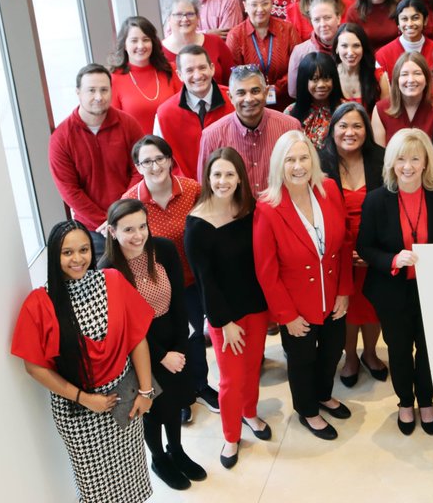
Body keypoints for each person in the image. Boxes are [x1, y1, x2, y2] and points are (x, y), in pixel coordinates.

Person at [11, 222, 155, 502]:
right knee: (95, 488)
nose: (77, 259)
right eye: (67, 252)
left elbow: (137, 338)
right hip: (77, 411)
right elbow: (34, 366)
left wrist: (146, 392)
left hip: (124, 394)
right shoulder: (40, 303)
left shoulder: (112, 280)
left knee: (132, 474)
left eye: (83, 250)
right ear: (55, 255)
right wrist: (83, 398)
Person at [253, 132, 352, 440]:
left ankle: (323, 394)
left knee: (333, 351)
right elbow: (266, 272)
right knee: (302, 359)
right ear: (278, 166)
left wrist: (345, 291)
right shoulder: (268, 208)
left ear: (313, 159)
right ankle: (307, 409)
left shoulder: (329, 190)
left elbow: (345, 244)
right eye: (290, 160)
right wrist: (286, 316)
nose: (298, 166)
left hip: (333, 297)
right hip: (296, 307)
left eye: (303, 157)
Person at [101, 199, 205, 490]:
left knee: (174, 403)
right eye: (128, 229)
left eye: (142, 226)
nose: (138, 235)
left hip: (173, 335)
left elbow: (179, 302)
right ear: (112, 231)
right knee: (152, 409)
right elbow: (123, 328)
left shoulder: (164, 249)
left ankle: (177, 450)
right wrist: (162, 356)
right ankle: (159, 458)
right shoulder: (108, 269)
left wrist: (181, 347)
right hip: (140, 347)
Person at [358, 129, 433, 434]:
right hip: (392, 290)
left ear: (426, 161)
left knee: (428, 349)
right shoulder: (376, 199)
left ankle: (426, 399)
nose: (408, 166)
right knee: (398, 349)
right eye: (401, 159)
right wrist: (392, 260)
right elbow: (365, 246)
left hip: (432, 290)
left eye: (415, 158)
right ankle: (404, 402)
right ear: (392, 162)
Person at [183, 147, 272, 469]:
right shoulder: (196, 224)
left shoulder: (250, 210)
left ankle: (250, 413)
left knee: (252, 369)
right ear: (207, 177)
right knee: (231, 380)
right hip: (226, 316)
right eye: (217, 174)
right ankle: (231, 435)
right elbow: (206, 282)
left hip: (257, 307)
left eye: (229, 174)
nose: (223, 181)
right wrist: (224, 322)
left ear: (240, 178)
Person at [120, 136, 209, 416]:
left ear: (170, 160)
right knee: (163, 343)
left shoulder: (193, 189)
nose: (155, 166)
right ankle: (178, 395)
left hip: (192, 281)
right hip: (153, 287)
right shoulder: (131, 201)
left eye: (160, 158)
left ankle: (201, 386)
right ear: (138, 166)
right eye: (147, 161)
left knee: (193, 338)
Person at [315, 103, 388, 389]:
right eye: (343, 125)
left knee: (371, 305)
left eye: (357, 126)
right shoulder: (319, 163)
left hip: (374, 246)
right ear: (332, 130)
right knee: (343, 307)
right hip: (335, 249)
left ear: (366, 130)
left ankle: (370, 354)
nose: (350, 132)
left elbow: (390, 206)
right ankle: (350, 358)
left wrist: (374, 251)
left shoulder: (381, 159)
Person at [50, 64, 144, 236]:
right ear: (78, 92)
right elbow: (69, 190)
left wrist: (121, 215)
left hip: (132, 219)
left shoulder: (129, 125)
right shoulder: (61, 138)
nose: (99, 97)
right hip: (92, 229)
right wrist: (105, 223)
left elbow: (139, 170)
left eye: (104, 90)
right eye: (91, 90)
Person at [197, 65, 302, 198]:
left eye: (255, 91)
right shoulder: (212, 136)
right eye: (241, 93)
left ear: (266, 92)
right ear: (230, 96)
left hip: (280, 210)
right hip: (233, 215)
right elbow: (205, 189)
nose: (249, 99)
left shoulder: (290, 127)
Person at [154, 46, 233, 178]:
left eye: (202, 67)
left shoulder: (234, 101)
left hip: (231, 186)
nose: (197, 75)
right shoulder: (165, 114)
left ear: (212, 68)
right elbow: (160, 160)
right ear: (179, 75)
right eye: (189, 70)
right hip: (187, 191)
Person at [226, 0, 302, 110]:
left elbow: (298, 66)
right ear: (244, 6)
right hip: (250, 104)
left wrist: (275, 89)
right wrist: (258, 92)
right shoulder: (236, 35)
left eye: (265, 3)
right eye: (254, 5)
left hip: (286, 102)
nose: (260, 9)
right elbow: (235, 75)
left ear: (272, 3)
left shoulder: (288, 29)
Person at [109, 16, 183, 135]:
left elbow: (185, 110)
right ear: (124, 45)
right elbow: (115, 127)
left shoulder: (171, 70)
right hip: (137, 150)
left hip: (173, 145)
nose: (141, 46)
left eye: (146, 39)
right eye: (134, 41)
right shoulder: (114, 79)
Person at [160, 0, 237, 82]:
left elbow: (233, 80)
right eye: (178, 15)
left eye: (190, 14)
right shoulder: (159, 51)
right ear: (168, 18)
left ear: (198, 17)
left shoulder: (215, 42)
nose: (185, 19)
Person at [372, 52, 433, 145]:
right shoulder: (381, 109)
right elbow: (379, 155)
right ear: (396, 80)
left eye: (417, 73)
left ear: (427, 79)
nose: (411, 80)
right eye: (404, 74)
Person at [286, 0, 343, 100]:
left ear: (338, 18)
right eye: (317, 20)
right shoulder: (300, 52)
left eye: (327, 18)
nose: (323, 24)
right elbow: (293, 91)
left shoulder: (350, 49)